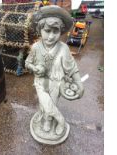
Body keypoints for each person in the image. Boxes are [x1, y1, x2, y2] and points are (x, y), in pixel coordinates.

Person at [25, 5, 84, 136]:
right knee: (45, 103)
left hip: (57, 83)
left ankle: (48, 120)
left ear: (60, 32)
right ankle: (61, 120)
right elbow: (27, 62)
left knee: (52, 103)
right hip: (40, 82)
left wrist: (79, 83)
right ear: (40, 29)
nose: (51, 36)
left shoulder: (63, 49)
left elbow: (72, 68)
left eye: (55, 31)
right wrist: (34, 68)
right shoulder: (35, 47)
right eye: (47, 31)